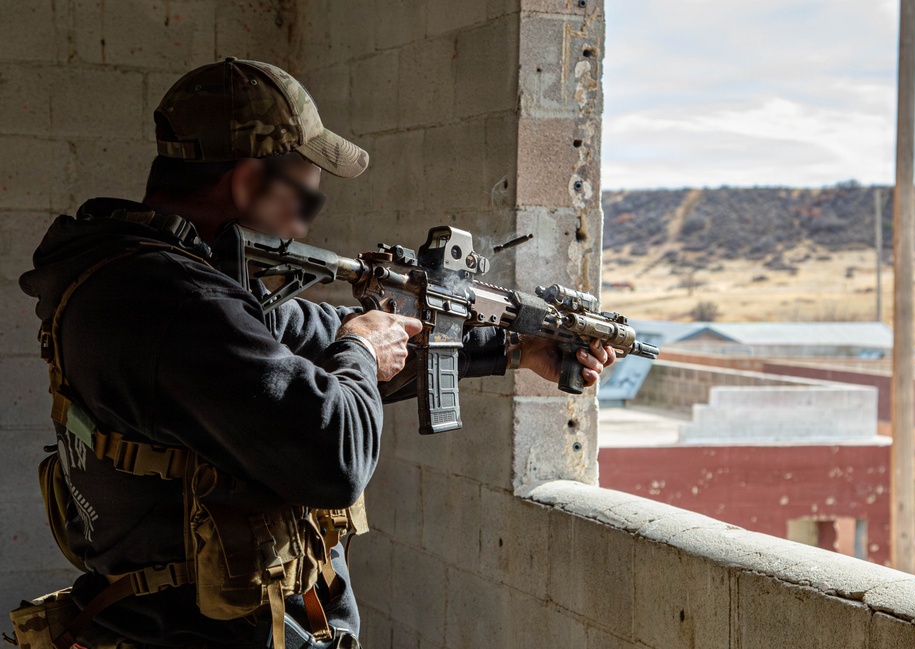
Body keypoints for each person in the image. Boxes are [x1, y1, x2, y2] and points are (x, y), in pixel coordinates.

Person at [17, 58, 614, 648]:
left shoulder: (125, 271)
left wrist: (515, 345)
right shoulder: (181, 307)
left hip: (155, 619)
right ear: (249, 180)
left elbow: (308, 329)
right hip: (197, 634)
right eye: (307, 201)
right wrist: (360, 351)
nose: (301, 228)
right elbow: (334, 458)